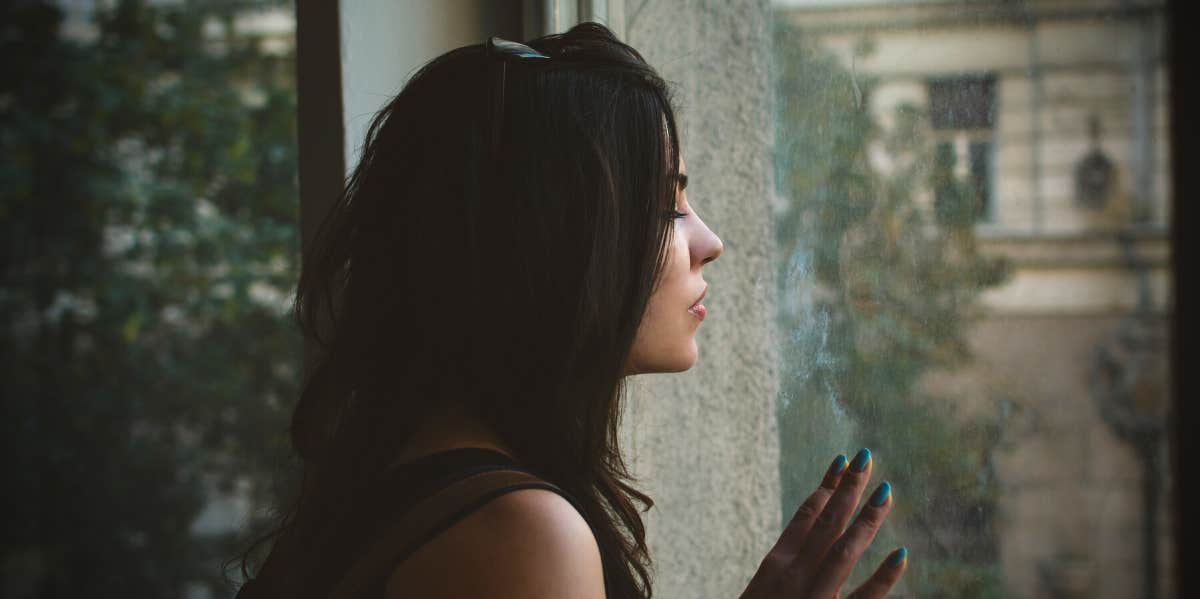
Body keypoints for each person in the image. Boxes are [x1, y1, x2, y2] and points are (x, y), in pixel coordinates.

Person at [235, 22, 906, 598]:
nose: (711, 242)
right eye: (668, 205)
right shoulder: (520, 533)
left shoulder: (397, 471)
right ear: (556, 237)